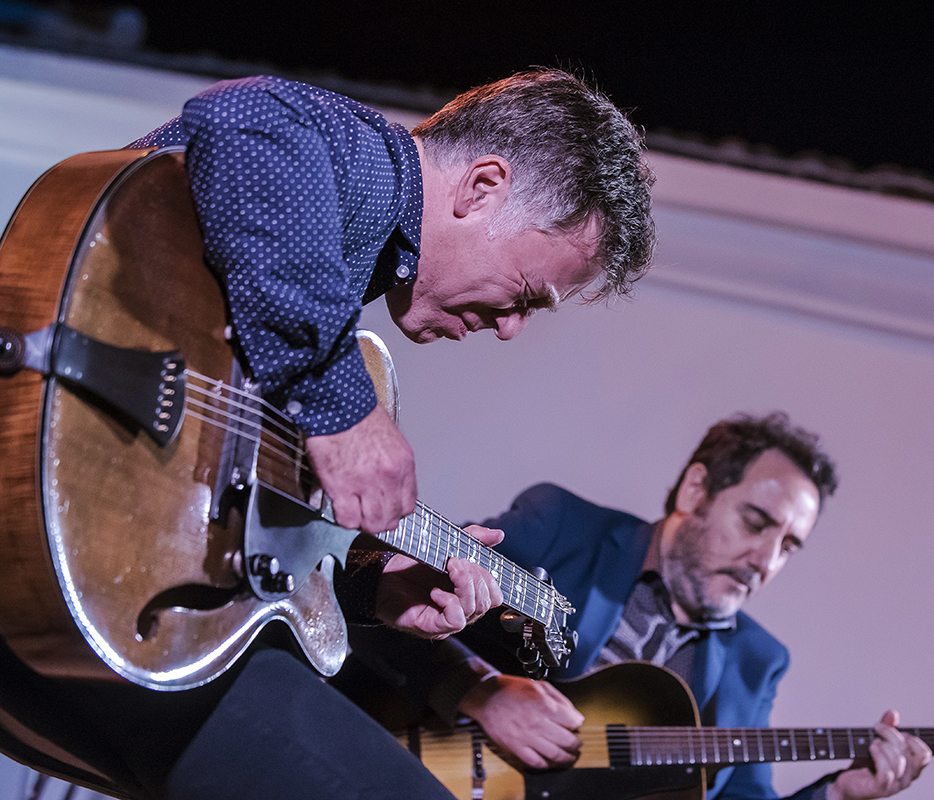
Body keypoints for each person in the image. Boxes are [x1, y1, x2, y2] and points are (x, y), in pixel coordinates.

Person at [0, 68, 654, 800]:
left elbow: (236, 521)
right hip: (64, 545)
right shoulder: (370, 168)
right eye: (527, 296)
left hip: (79, 590)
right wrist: (342, 406)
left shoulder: (334, 272)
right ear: (482, 187)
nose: (510, 328)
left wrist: (374, 590)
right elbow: (244, 115)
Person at [399, 413, 930, 800]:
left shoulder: (757, 660)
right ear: (696, 490)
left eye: (788, 547)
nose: (765, 561)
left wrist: (838, 794)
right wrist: (477, 693)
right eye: (756, 522)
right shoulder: (562, 524)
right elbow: (387, 596)